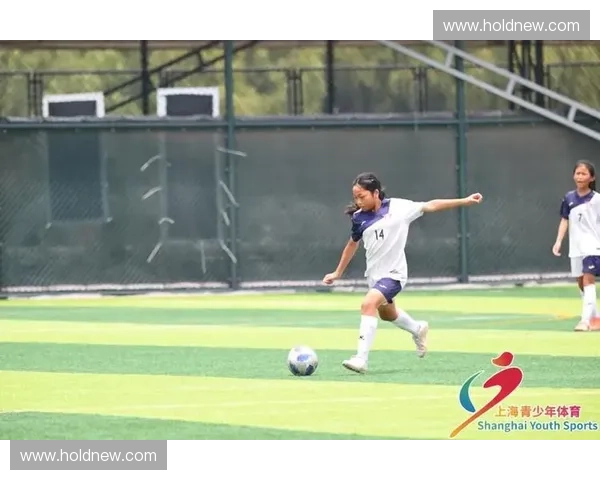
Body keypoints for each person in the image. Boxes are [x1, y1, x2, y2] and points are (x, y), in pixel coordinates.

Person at [322, 172, 483, 373]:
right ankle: (417, 328)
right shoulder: (358, 217)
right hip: (375, 277)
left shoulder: (399, 207)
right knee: (388, 314)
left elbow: (431, 205)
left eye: (361, 196)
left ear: (376, 193)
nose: (358, 201)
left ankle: (361, 359)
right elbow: (352, 244)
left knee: (368, 304)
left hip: (395, 275)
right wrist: (337, 272)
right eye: (355, 197)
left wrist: (465, 201)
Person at [552, 160, 600, 332]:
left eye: (584, 174)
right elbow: (564, 220)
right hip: (576, 247)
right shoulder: (569, 198)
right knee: (581, 283)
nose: (580, 177)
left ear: (591, 178)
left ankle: (585, 321)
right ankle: (596, 318)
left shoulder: (597, 199)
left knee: (588, 280)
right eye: (577, 173)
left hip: (593, 246)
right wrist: (558, 241)